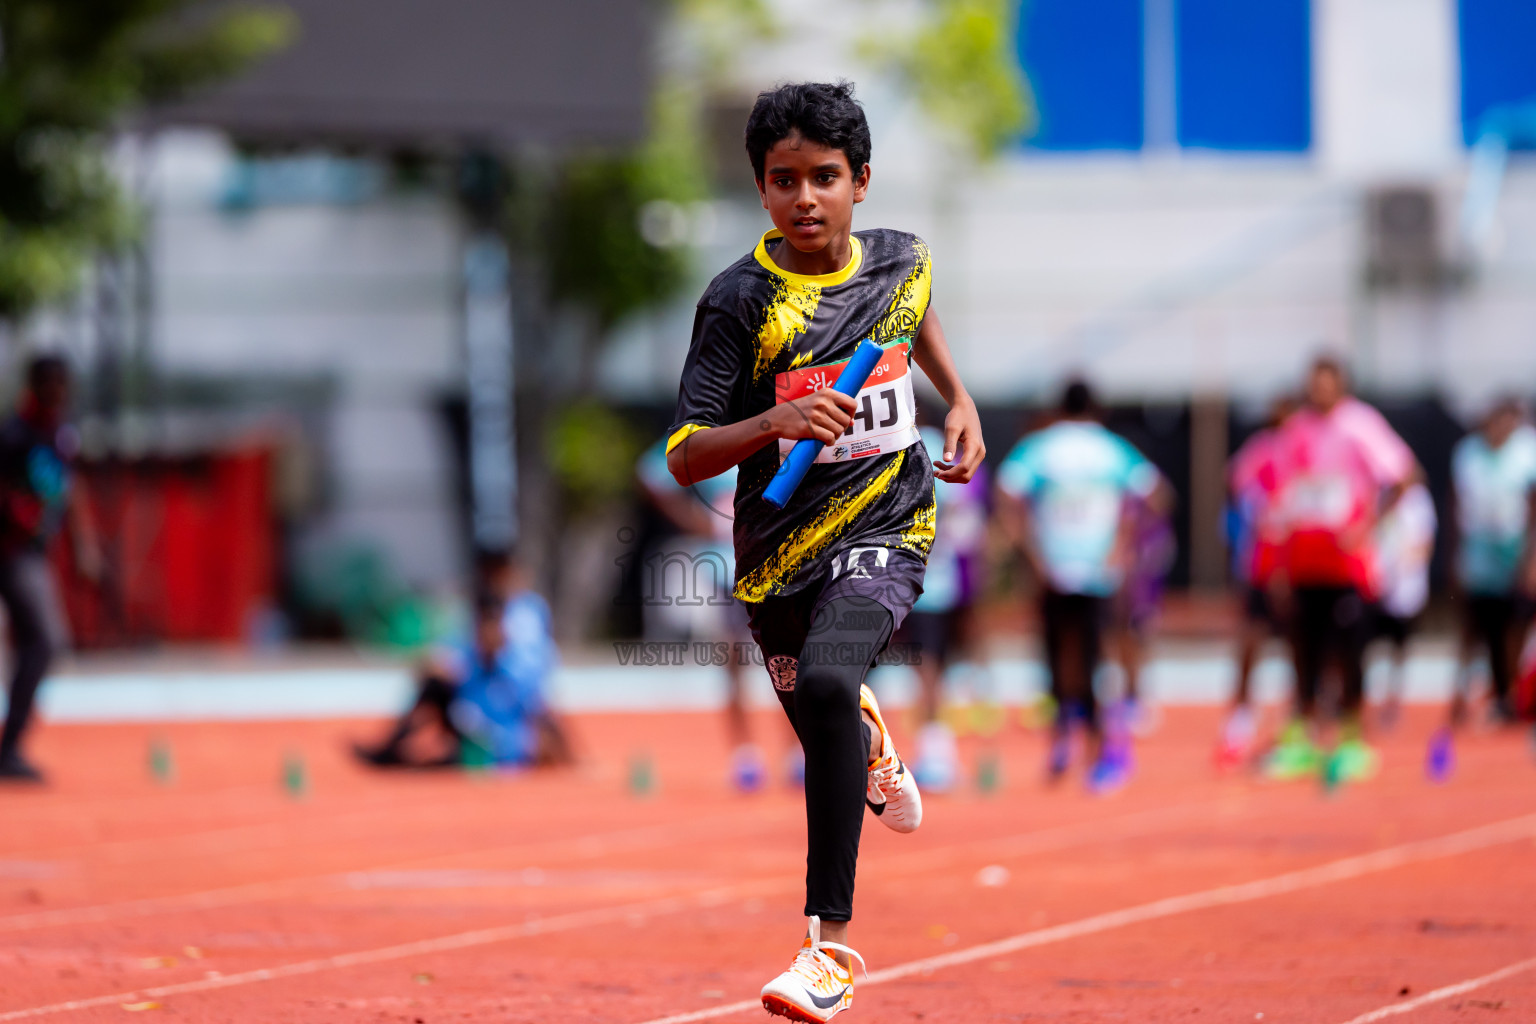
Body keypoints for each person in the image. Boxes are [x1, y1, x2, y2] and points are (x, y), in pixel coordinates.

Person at [665, 82, 985, 1023]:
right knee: (826, 703)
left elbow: (913, 316)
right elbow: (686, 454)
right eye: (783, 179)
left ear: (862, 182)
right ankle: (869, 734)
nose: (805, 197)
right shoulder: (739, 302)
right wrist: (775, 418)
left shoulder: (904, 260)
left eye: (825, 178)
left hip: (889, 523)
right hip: (773, 552)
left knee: (832, 681)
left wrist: (959, 398)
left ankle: (827, 948)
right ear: (761, 190)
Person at [995, 380, 1164, 793]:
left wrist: (1030, 551)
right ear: (1097, 409)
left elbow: (1005, 494)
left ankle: (1064, 743)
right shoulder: (1111, 448)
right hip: (1098, 570)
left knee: (1056, 657)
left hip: (1051, 569)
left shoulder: (1041, 447)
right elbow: (1156, 495)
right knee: (1098, 658)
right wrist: (1123, 546)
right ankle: (1105, 753)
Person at [1263, 357, 1418, 783]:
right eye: (1314, 384)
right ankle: (1305, 739)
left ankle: (1352, 739)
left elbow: (1406, 476)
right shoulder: (1295, 430)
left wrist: (1367, 525)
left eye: (1328, 385)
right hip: (1303, 560)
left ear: (1342, 386)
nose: (1321, 393)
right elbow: (1283, 496)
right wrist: (1277, 559)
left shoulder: (1361, 425)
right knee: (1302, 651)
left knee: (1349, 651)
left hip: (1348, 564)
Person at [637, 439, 784, 791]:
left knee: (786, 657)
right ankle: (745, 754)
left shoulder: (777, 420)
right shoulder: (712, 429)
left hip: (778, 561)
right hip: (727, 568)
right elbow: (651, 472)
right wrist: (692, 520)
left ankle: (797, 753)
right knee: (735, 660)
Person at [354, 552, 572, 770]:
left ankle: (417, 756)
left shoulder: (517, 671)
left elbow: (542, 712)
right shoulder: (468, 658)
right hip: (471, 732)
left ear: (503, 632)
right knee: (434, 687)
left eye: (493, 628)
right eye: (483, 628)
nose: (488, 635)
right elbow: (431, 664)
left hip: (498, 748)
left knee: (444, 757)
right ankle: (392, 749)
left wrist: (565, 754)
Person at [0, 355, 100, 783]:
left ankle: (11, 746)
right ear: (35, 385)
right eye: (52, 384)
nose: (59, 392)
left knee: (43, 642)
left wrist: (84, 546)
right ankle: (9, 749)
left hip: (32, 555)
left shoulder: (60, 435)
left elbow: (70, 490)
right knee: (44, 638)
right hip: (10, 552)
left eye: (64, 384)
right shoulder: (14, 436)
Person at [896, 423, 989, 793]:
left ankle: (932, 753)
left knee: (918, 667)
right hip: (938, 582)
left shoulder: (899, 444)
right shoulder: (942, 449)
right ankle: (935, 752)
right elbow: (967, 524)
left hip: (899, 578)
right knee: (932, 666)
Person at [1442, 399, 1536, 745]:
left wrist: (1531, 557)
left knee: (1512, 629)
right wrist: (1454, 555)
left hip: (1515, 550)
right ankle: (1462, 694)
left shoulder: (1527, 451)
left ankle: (1509, 697)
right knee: (1475, 628)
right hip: (1479, 553)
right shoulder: (1467, 454)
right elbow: (1456, 504)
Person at [1217, 396, 1295, 768]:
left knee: (1301, 644)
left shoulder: (1307, 448)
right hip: (1263, 562)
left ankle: (1298, 721)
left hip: (1300, 563)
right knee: (1252, 638)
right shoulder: (1261, 449)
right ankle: (1240, 719)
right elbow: (1233, 481)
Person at [1371, 480, 1437, 729]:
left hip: (1405, 588)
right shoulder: (1378, 492)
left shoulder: (1418, 498)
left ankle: (1393, 699)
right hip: (1376, 584)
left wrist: (1406, 563)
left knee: (1399, 646)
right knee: (1370, 645)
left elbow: (1425, 543)